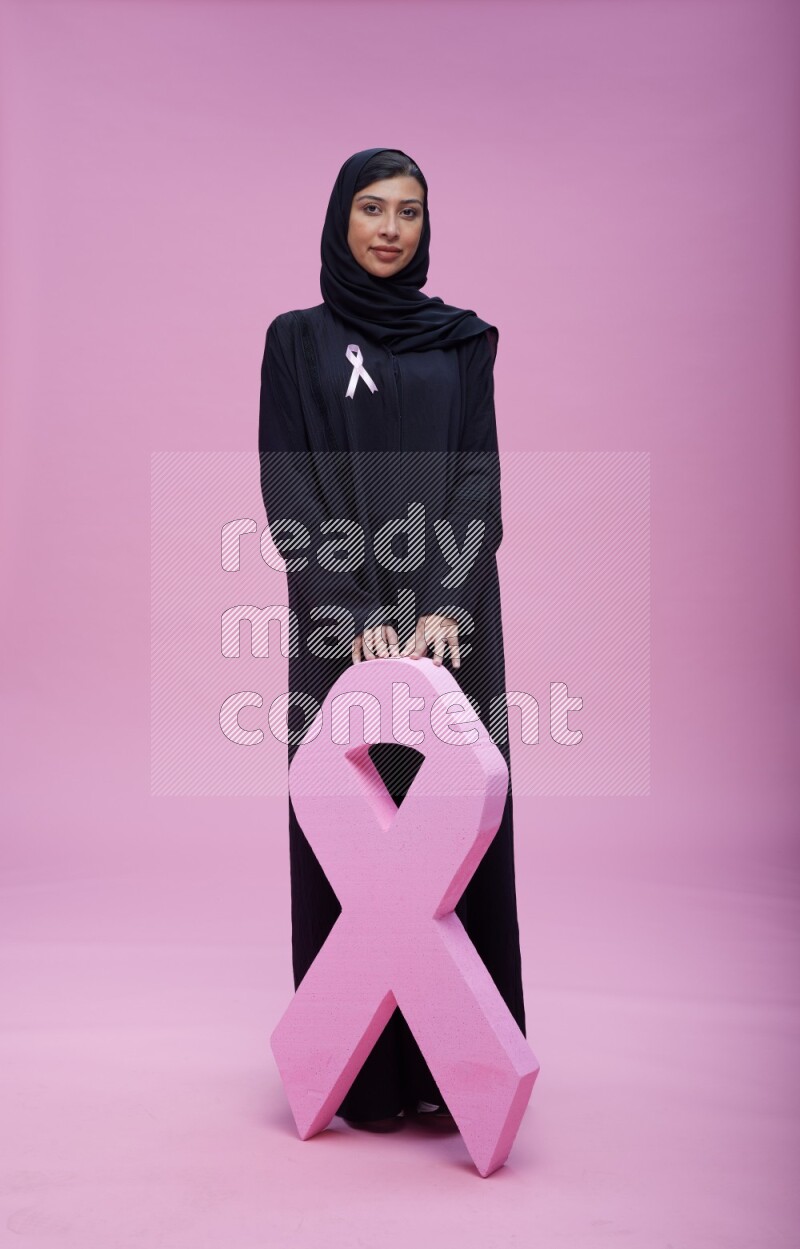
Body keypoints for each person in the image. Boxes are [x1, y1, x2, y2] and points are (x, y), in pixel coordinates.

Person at [258, 147, 526, 1134]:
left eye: (407, 211)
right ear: (339, 219)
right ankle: (365, 1079)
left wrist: (445, 602)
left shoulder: (459, 342)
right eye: (369, 208)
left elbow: (476, 482)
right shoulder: (295, 342)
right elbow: (290, 490)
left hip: (452, 625)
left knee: (455, 838)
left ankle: (459, 1072)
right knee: (355, 841)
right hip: (343, 628)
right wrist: (357, 612)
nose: (388, 227)